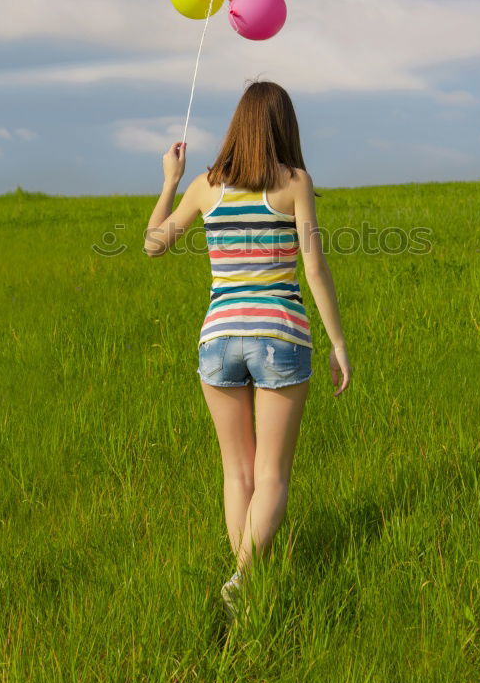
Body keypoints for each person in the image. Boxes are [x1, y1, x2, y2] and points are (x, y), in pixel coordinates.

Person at [144, 79, 351, 619]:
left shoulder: (206, 187)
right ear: (284, 126)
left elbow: (153, 244)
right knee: (272, 476)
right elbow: (314, 267)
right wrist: (337, 343)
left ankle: (243, 589)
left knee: (236, 472)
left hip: (217, 339)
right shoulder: (294, 182)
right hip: (280, 335)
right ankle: (241, 579)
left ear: (238, 124)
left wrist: (170, 182)